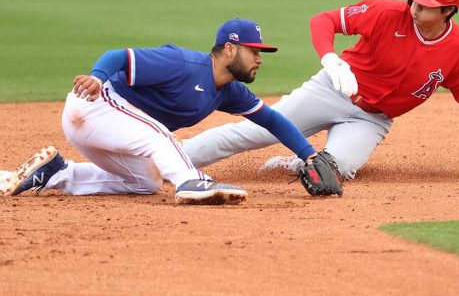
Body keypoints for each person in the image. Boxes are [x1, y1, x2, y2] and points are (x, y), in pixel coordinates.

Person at [181, 0, 459, 181]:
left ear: (449, 11)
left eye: (426, 5)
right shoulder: (386, 12)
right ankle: (169, 159)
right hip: (332, 90)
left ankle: (296, 161)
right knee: (251, 133)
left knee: (333, 171)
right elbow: (323, 20)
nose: (415, 7)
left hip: (372, 120)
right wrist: (330, 59)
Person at [4, 19, 322, 204]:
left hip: (108, 127)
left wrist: (309, 155)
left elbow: (271, 119)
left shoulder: (230, 91)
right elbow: (119, 56)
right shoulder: (182, 63)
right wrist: (97, 77)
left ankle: (58, 173)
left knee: (146, 182)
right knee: (161, 136)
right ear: (229, 49)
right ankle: (190, 182)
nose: (259, 59)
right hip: (94, 105)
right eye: (254, 51)